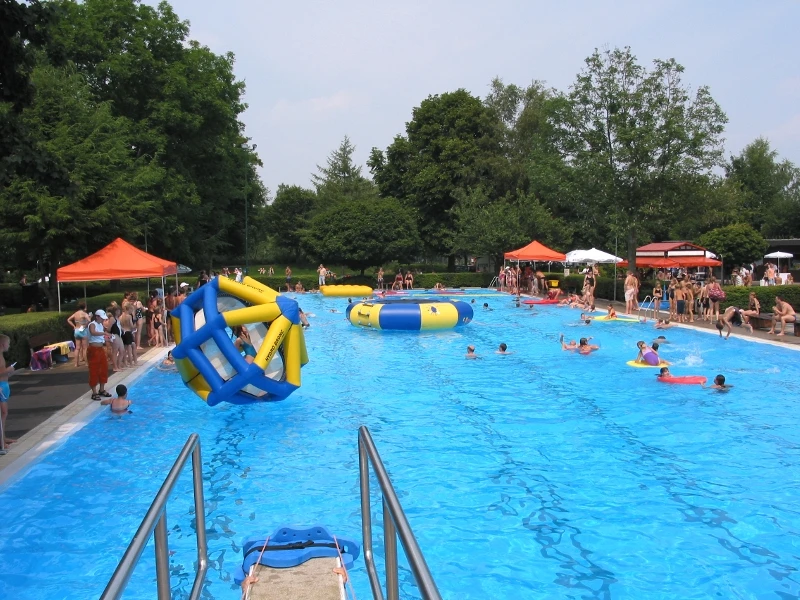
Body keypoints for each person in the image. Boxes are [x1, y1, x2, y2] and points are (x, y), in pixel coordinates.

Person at [88, 310, 112, 401]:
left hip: (100, 349)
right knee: (94, 370)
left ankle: (101, 389)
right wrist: (104, 333)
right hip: (94, 350)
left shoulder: (101, 325)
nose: (103, 320)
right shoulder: (92, 324)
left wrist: (108, 337)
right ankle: (94, 392)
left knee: (103, 369)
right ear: (97, 317)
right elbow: (93, 332)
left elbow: (100, 336)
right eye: (101, 318)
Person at [0, 334, 19, 444]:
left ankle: (3, 438)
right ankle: (1, 441)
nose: (9, 346)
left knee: (4, 413)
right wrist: (8, 370)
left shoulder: (1, 356)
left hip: (4, 385)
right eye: (8, 343)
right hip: (1, 387)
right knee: (3, 413)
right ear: (3, 344)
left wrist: (9, 372)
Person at [67, 302, 91, 368]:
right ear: (84, 307)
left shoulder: (76, 313)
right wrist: (85, 325)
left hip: (76, 330)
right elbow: (89, 320)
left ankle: (76, 363)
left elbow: (68, 320)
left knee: (77, 348)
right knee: (85, 348)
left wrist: (74, 326)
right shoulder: (84, 313)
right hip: (82, 330)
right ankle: (86, 363)